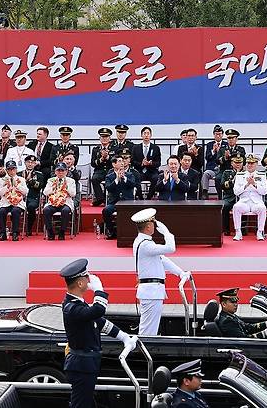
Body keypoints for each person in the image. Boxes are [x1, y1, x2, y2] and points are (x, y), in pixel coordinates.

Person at [60, 258, 136, 408]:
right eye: (86, 279)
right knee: (81, 405)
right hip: (82, 366)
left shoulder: (78, 304)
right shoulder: (72, 308)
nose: (89, 281)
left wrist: (124, 337)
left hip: (87, 365)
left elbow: (100, 322)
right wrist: (99, 290)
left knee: (86, 403)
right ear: (80, 283)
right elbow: (98, 310)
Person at [131, 208, 190, 336]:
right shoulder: (145, 245)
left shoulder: (144, 242)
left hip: (152, 291)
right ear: (148, 227)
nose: (155, 225)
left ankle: (145, 351)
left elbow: (162, 259)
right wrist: (167, 233)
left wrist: (180, 273)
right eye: (153, 223)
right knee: (148, 331)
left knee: (150, 328)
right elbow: (171, 248)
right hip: (151, 292)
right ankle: (143, 353)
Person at [232, 155, 267, 241]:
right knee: (236, 207)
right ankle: (238, 232)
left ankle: (260, 232)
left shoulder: (262, 175)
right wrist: (246, 185)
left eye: (252, 163)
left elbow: (264, 191)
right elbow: (236, 192)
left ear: (256, 164)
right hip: (244, 202)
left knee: (262, 208)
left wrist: (255, 184)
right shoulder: (240, 175)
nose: (250, 165)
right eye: (248, 163)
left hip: (256, 202)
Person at [103, 156, 135, 239]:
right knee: (106, 210)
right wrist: (116, 180)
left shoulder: (129, 174)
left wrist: (124, 178)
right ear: (114, 164)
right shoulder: (109, 176)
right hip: (114, 202)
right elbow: (108, 188)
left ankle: (131, 231)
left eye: (123, 161)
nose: (122, 163)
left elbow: (133, 185)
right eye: (119, 161)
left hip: (128, 202)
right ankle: (111, 231)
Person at [42, 162, 77, 240]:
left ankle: (62, 232)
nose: (60, 173)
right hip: (53, 202)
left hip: (65, 202)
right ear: (55, 172)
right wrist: (53, 187)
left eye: (62, 171)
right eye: (58, 171)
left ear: (66, 171)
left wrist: (66, 186)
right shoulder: (51, 180)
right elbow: (45, 192)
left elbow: (73, 194)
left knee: (65, 211)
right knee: (46, 210)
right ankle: (50, 232)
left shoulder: (71, 181)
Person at [0, 160, 28, 241]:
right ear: (7, 170)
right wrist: (7, 187)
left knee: (15, 211)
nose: (12, 171)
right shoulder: (2, 180)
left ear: (16, 169)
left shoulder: (21, 179)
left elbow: (26, 192)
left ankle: (15, 233)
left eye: (13, 169)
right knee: (1, 211)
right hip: (5, 202)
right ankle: (3, 233)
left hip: (18, 203)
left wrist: (17, 186)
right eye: (9, 169)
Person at [132, 126, 161, 200]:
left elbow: (158, 163)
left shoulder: (156, 148)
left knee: (156, 178)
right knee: (135, 177)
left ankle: (149, 197)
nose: (146, 135)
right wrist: (141, 163)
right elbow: (133, 162)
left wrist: (151, 163)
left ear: (151, 135)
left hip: (151, 171)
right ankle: (140, 198)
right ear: (141, 135)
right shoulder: (135, 148)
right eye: (144, 133)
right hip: (140, 171)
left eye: (148, 133)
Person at [19, 155, 44, 237]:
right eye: (28, 162)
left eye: (32, 162)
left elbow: (40, 186)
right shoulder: (19, 174)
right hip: (20, 197)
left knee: (31, 207)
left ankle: (29, 228)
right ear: (25, 163)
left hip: (33, 197)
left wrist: (31, 182)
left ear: (35, 164)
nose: (30, 164)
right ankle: (15, 228)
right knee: (15, 206)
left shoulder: (39, 174)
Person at [219, 152, 244, 236]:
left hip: (242, 197)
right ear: (231, 163)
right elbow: (222, 185)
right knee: (225, 206)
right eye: (236, 162)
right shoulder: (226, 172)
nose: (238, 164)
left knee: (244, 206)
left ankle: (243, 229)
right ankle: (226, 229)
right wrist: (232, 181)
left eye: (240, 162)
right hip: (230, 197)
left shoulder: (245, 173)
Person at [90, 127, 115, 207]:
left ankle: (107, 199)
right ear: (99, 138)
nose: (104, 139)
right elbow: (93, 164)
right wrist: (101, 159)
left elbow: (116, 162)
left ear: (110, 138)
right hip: (99, 171)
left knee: (111, 179)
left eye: (106, 137)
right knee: (94, 179)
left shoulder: (114, 148)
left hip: (111, 170)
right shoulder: (95, 149)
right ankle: (100, 199)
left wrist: (107, 158)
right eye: (102, 137)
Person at [201, 125, 225, 199]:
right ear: (213, 134)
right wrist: (213, 151)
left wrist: (220, 152)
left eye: (219, 134)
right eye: (216, 134)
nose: (218, 136)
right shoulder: (209, 144)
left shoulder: (226, 144)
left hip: (222, 169)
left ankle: (222, 194)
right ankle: (205, 192)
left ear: (222, 135)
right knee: (205, 174)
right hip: (212, 169)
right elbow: (207, 158)